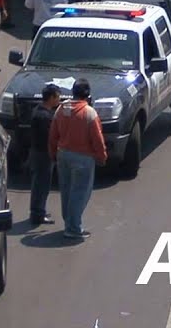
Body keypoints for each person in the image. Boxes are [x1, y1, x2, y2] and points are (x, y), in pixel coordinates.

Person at [48, 79, 107, 240]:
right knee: (80, 193)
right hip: (83, 158)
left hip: (63, 155)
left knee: (66, 190)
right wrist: (101, 156)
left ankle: (69, 222)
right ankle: (73, 228)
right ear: (87, 95)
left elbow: (53, 135)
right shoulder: (89, 113)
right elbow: (97, 139)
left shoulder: (61, 109)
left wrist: (53, 153)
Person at [28, 83, 62, 226]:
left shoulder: (39, 111)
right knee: (42, 185)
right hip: (43, 155)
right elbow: (49, 137)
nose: (59, 99)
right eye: (58, 96)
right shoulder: (44, 116)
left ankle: (38, 210)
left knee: (40, 183)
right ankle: (38, 214)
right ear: (52, 97)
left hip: (39, 153)